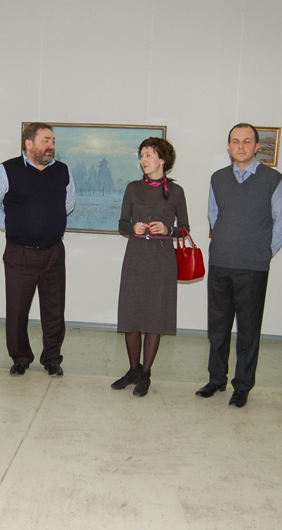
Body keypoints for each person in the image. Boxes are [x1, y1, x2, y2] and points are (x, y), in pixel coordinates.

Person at [196, 123, 282, 408]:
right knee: (218, 327)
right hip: (221, 262)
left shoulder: (273, 179)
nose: (241, 146)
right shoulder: (218, 178)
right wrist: (228, 241)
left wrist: (264, 253)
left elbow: (281, 223)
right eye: (235, 141)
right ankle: (216, 379)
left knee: (248, 330)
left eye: (247, 141)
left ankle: (243, 386)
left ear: (257, 146)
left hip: (253, 266)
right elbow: (214, 216)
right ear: (229, 146)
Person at [0, 122, 75, 377]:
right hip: (20, 253)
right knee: (17, 310)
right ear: (29, 143)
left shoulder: (63, 171)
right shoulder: (6, 170)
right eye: (46, 140)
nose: (51, 145)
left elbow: (68, 204)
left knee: (54, 310)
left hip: (53, 252)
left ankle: (52, 359)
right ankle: (20, 358)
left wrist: (49, 221)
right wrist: (10, 225)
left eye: (53, 141)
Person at [112, 137, 189, 397]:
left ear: (162, 160)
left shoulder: (176, 191)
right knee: (131, 315)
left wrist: (168, 229)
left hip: (161, 260)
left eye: (148, 155)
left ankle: (146, 373)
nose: (143, 160)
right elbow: (122, 224)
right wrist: (131, 227)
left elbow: (185, 229)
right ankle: (133, 370)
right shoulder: (133, 188)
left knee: (155, 318)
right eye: (142, 155)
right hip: (135, 257)